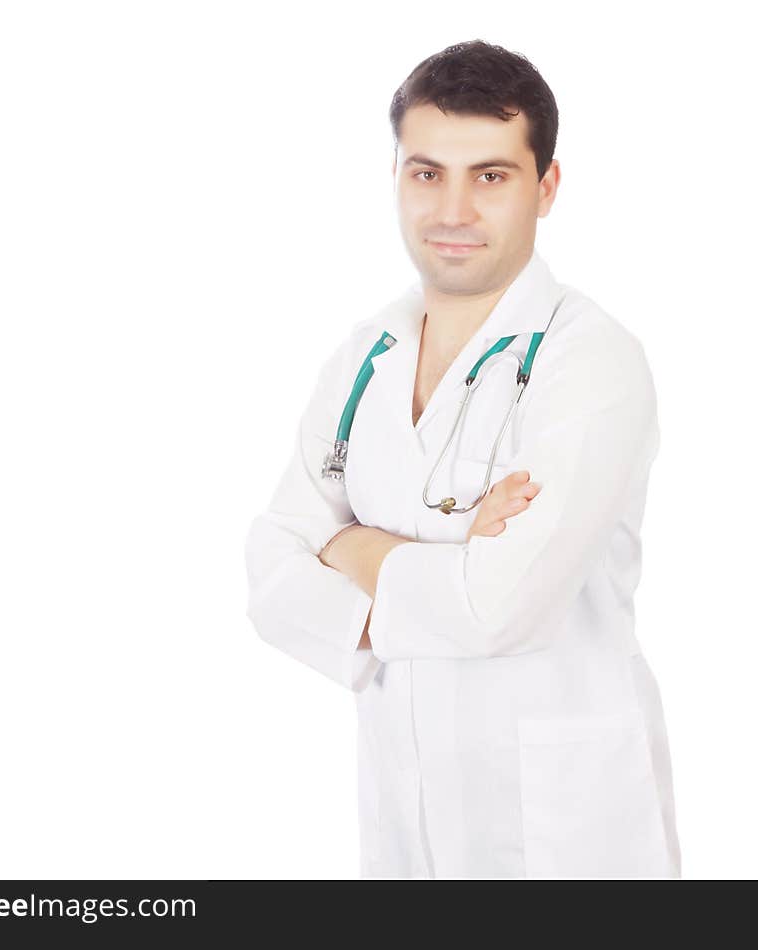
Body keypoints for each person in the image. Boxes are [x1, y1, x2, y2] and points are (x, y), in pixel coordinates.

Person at [243, 39, 682, 879]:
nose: (452, 210)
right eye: (425, 173)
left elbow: (498, 609)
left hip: (568, 834)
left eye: (490, 176)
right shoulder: (365, 355)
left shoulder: (588, 361)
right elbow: (270, 579)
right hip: (405, 820)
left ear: (546, 187)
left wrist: (352, 547)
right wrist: (443, 568)